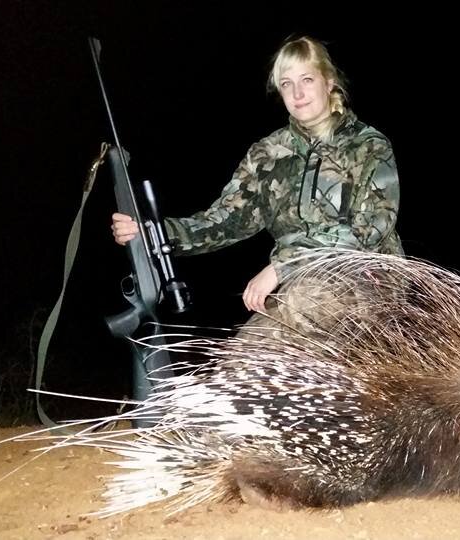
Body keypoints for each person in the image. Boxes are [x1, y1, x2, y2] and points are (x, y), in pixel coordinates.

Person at [111, 35, 403, 334]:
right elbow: (225, 221)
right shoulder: (267, 153)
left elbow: (370, 228)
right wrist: (153, 233)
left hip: (367, 282)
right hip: (296, 289)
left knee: (284, 327)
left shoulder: (369, 145)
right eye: (287, 83)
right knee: (239, 362)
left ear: (328, 82)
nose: (298, 93)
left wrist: (282, 266)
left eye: (307, 79)